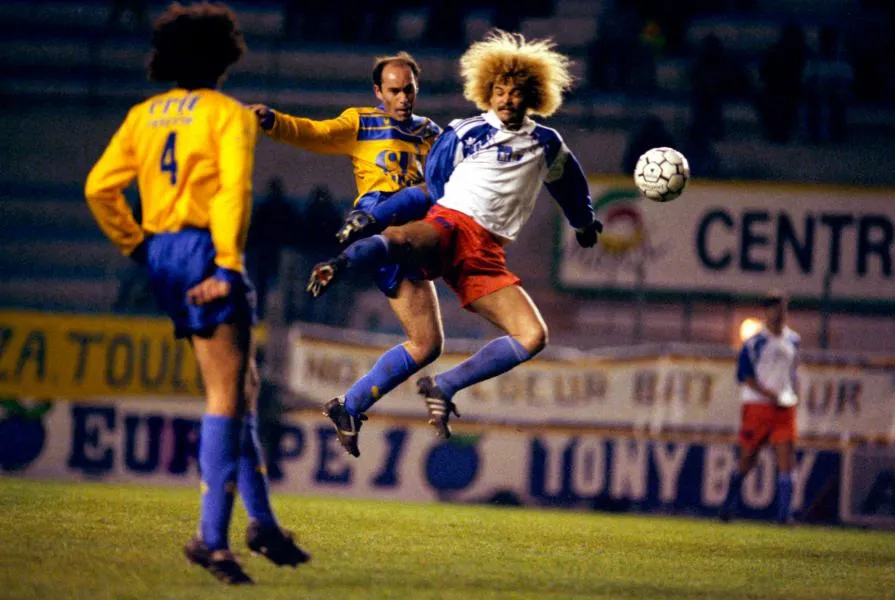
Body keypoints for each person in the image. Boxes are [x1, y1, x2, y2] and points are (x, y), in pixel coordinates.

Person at [84, 3, 309, 585]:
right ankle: (213, 540)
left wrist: (138, 247)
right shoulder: (226, 115)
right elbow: (233, 191)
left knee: (241, 385)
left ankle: (261, 524)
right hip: (207, 250)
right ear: (223, 58)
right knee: (225, 396)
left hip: (161, 251)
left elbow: (98, 189)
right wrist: (228, 264)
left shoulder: (144, 115)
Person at [306, 30, 603, 454]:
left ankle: (430, 388)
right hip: (452, 225)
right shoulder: (465, 131)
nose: (505, 99)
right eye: (498, 90)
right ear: (487, 91)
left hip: (486, 256)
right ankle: (339, 264)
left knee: (529, 337)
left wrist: (585, 223)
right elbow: (429, 190)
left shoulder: (546, 143)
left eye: (516, 92)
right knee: (400, 241)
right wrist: (373, 216)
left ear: (533, 95)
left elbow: (570, 186)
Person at [248, 53, 445, 457]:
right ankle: (351, 244)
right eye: (394, 90)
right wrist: (273, 121)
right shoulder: (362, 122)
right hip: (382, 223)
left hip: (414, 237)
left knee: (427, 344)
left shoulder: (430, 132)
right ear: (378, 92)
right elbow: (314, 133)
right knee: (398, 203)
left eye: (409, 89)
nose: (403, 97)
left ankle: (348, 407)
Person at [719, 291, 800, 524]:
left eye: (782, 307)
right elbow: (743, 375)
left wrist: (791, 394)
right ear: (766, 312)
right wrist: (768, 394)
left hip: (784, 408)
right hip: (757, 407)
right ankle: (728, 505)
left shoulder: (793, 340)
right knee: (748, 460)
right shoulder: (754, 343)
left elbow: (792, 372)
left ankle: (784, 515)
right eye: (774, 308)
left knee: (786, 460)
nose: (779, 313)